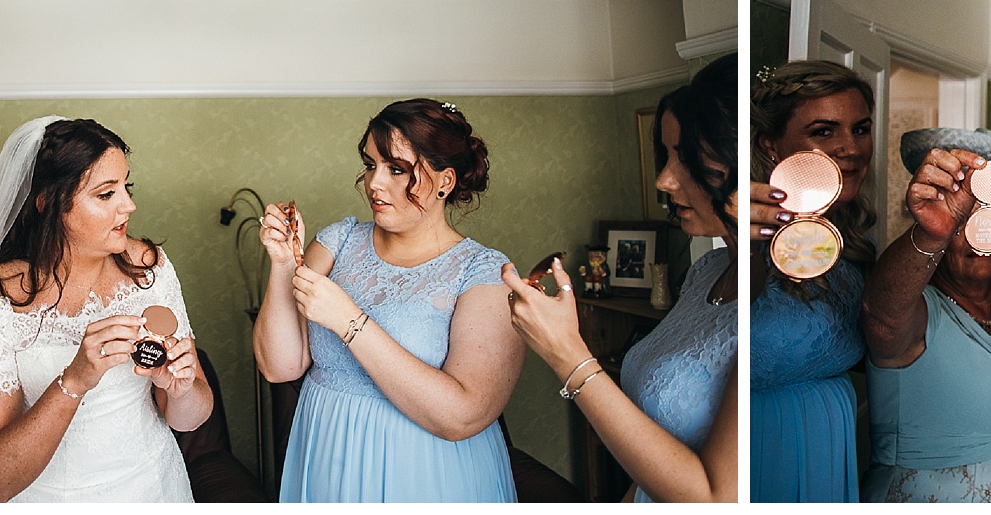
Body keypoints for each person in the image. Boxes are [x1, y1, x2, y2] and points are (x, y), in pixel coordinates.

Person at [0, 117, 209, 502]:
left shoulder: (148, 269)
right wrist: (75, 380)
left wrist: (181, 390)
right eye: (106, 194)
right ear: (47, 201)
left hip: (152, 489)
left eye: (126, 187)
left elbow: (190, 418)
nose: (129, 205)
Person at [254, 99, 521, 502]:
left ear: (445, 182)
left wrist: (349, 322)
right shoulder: (339, 241)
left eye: (397, 170)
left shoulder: (483, 274)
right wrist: (280, 265)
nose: (375, 183)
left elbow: (462, 416)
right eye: (370, 165)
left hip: (425, 472)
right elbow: (279, 366)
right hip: (327, 455)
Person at [503, 53, 741, 502]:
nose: (664, 181)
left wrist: (567, 353)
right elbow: (656, 447)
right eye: (666, 156)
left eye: (687, 159)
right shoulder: (706, 271)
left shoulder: (764, 305)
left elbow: (714, 498)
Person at [860, 129, 991, 502]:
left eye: (988, 217)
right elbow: (880, 313)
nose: (974, 235)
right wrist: (932, 232)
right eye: (959, 222)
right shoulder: (917, 309)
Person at [744, 60, 870, 502]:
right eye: (824, 131)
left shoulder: (851, 244)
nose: (849, 148)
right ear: (771, 146)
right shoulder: (749, 237)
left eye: (860, 129)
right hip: (758, 453)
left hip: (829, 454)